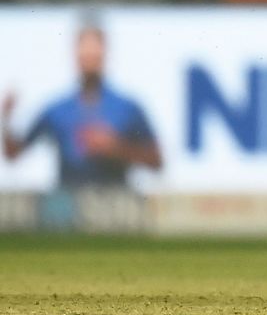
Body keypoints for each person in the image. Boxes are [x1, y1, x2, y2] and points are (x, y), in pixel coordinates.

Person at [2, 21, 161, 189]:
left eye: (95, 55)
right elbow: (14, 154)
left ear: (104, 55)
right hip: (68, 207)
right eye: (85, 55)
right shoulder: (57, 110)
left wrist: (115, 147)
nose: (90, 61)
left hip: (115, 205)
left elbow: (157, 162)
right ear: (76, 56)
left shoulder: (127, 107)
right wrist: (5, 120)